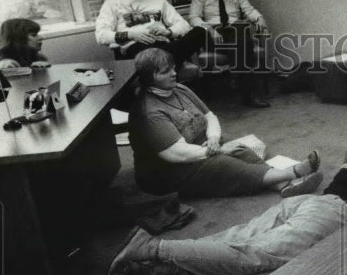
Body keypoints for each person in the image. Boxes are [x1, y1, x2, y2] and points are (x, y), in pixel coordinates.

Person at [99, 107, 347, 275]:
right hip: (335, 215)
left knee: (233, 237)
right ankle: (154, 249)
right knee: (251, 256)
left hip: (306, 203)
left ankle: (159, 268)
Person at [128, 47, 322, 199]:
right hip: (167, 174)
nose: (173, 74)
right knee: (224, 165)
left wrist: (213, 138)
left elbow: (209, 115)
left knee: (241, 150)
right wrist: (218, 150)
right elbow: (177, 154)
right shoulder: (150, 112)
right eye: (164, 72)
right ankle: (291, 174)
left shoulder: (179, 89)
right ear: (149, 79)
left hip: (199, 145)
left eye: (172, 68)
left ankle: (281, 185)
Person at [95, 0, 209, 81]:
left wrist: (168, 32)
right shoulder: (113, 3)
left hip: (164, 44)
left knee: (200, 31)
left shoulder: (158, 0)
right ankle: (172, 64)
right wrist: (131, 35)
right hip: (138, 49)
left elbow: (183, 24)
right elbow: (101, 35)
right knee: (156, 54)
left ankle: (166, 63)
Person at [189, 0, 273, 108]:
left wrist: (259, 18)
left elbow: (248, 10)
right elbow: (194, 17)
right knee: (244, 45)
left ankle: (238, 79)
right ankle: (247, 93)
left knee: (242, 34)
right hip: (214, 34)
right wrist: (210, 30)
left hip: (235, 31)